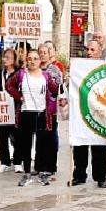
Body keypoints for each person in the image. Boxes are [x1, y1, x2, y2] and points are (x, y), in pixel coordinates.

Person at [6, 50, 58, 186]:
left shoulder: (46, 75)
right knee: (25, 144)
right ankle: (27, 173)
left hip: (42, 113)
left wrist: (59, 82)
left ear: (40, 61)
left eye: (35, 58)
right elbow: (9, 85)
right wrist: (18, 96)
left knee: (42, 144)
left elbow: (54, 89)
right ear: (26, 61)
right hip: (25, 112)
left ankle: (41, 173)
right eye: (30, 59)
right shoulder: (21, 74)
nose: (33, 61)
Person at [71, 40, 106, 188]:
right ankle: (79, 175)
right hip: (83, 111)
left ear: (99, 52)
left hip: (99, 113)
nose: (89, 52)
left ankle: (100, 177)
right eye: (88, 49)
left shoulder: (105, 68)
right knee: (80, 145)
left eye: (93, 50)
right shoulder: (79, 67)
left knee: (99, 146)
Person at [0, 48, 22, 173]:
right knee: (2, 136)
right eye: (4, 57)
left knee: (17, 136)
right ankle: (4, 161)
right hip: (2, 109)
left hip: (15, 109)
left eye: (8, 57)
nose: (5, 59)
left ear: (14, 60)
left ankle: (17, 161)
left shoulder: (19, 73)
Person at [38, 43, 63, 175]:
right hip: (37, 108)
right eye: (40, 52)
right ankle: (39, 165)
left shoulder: (54, 70)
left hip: (51, 108)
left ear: (49, 54)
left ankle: (50, 166)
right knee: (40, 137)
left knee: (50, 137)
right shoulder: (34, 69)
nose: (42, 54)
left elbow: (59, 88)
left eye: (45, 52)